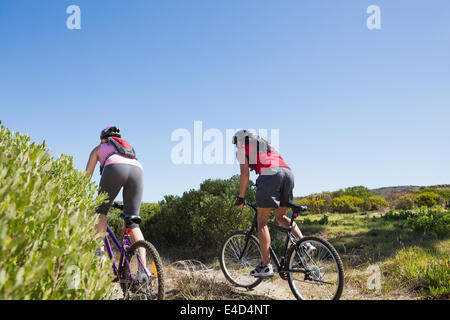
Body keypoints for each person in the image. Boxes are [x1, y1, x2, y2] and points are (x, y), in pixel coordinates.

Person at [232, 130, 315, 277]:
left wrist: (241, 197)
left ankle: (265, 265)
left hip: (270, 173)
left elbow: (245, 173)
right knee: (281, 216)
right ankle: (305, 245)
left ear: (239, 141)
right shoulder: (265, 144)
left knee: (262, 222)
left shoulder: (241, 150)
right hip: (288, 173)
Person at [85, 126, 147, 265]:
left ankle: (99, 256)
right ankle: (144, 270)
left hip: (114, 168)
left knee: (100, 214)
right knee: (133, 223)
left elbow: (86, 177)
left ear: (103, 139)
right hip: (138, 169)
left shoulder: (99, 148)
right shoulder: (128, 149)